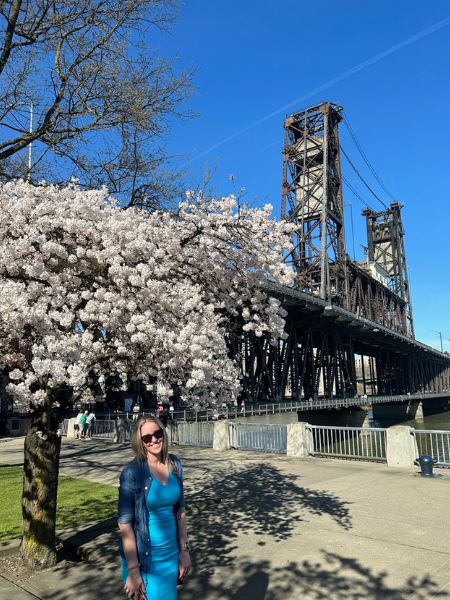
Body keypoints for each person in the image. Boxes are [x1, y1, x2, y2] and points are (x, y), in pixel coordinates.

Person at [117, 416, 191, 600]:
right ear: (140, 442)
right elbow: (125, 525)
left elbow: (180, 511)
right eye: (147, 437)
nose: (154, 440)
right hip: (145, 561)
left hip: (172, 557)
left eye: (157, 433)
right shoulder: (132, 473)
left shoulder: (174, 465)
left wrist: (184, 550)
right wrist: (134, 570)